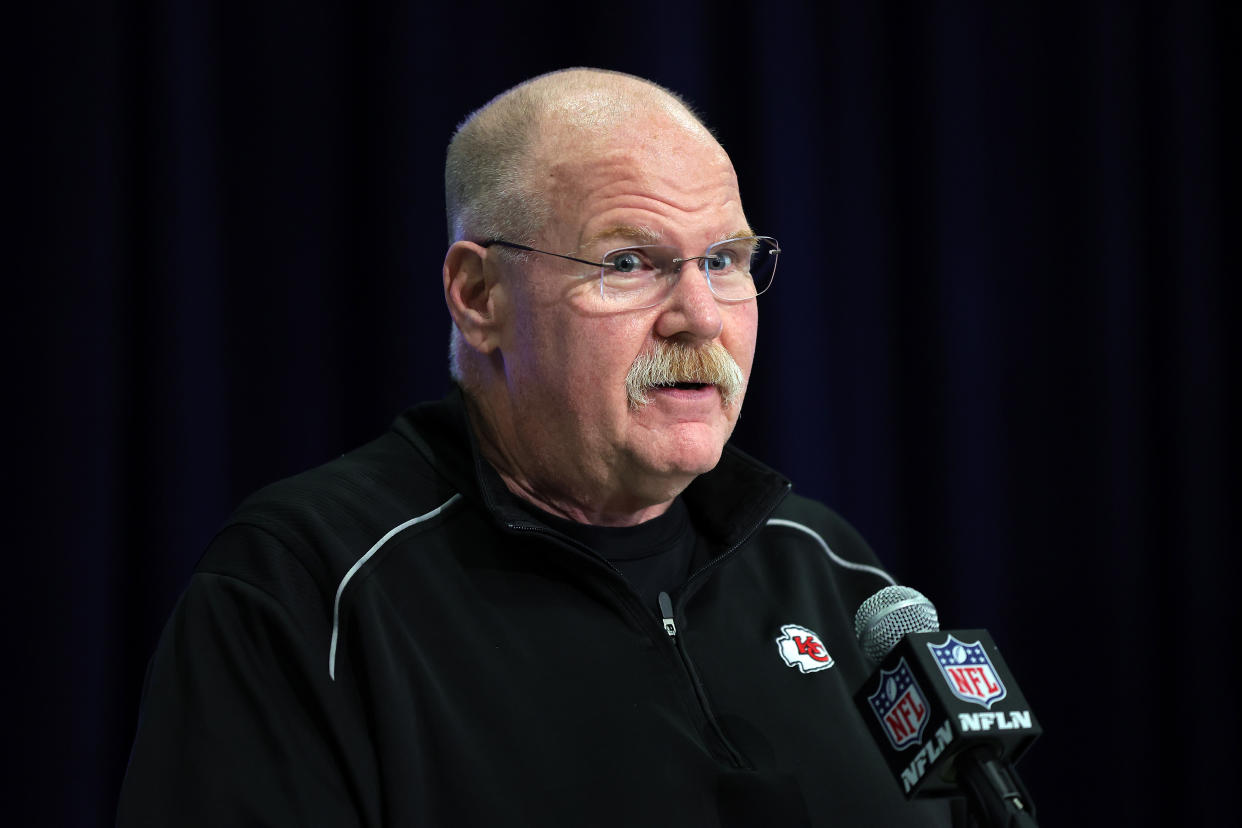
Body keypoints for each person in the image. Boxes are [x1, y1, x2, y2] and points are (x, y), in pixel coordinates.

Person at [117, 68, 962, 826]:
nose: (701, 316)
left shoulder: (838, 576)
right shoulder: (306, 591)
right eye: (629, 261)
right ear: (479, 295)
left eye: (724, 259)